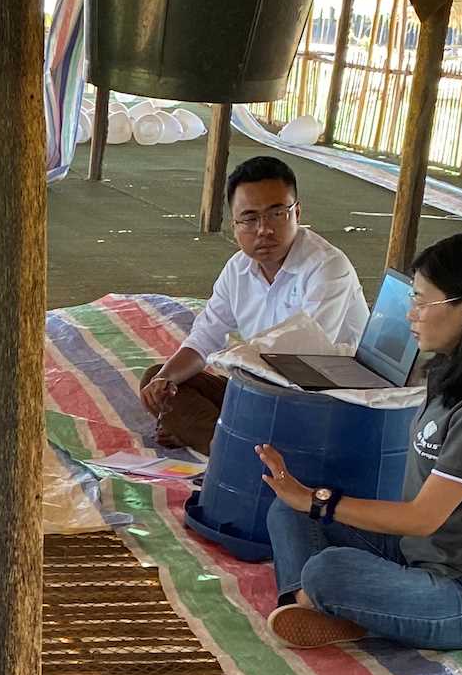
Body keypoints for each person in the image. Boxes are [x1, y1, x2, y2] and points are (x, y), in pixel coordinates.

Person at [260, 230, 462, 653]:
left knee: (328, 568)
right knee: (288, 510)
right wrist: (306, 501)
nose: (411, 314)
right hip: (419, 554)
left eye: (422, 301)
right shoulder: (454, 369)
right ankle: (324, 609)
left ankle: (322, 600)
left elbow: (422, 518)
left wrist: (320, 500)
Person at [140, 155, 368, 453]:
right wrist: (164, 380)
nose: (264, 229)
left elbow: (306, 360)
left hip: (322, 400)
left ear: (297, 212)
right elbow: (205, 338)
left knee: (217, 402)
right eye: (249, 219)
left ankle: (228, 445)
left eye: (277, 214)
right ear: (234, 225)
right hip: (261, 392)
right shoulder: (237, 270)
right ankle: (241, 446)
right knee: (160, 381)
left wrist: (236, 372)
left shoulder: (327, 267)